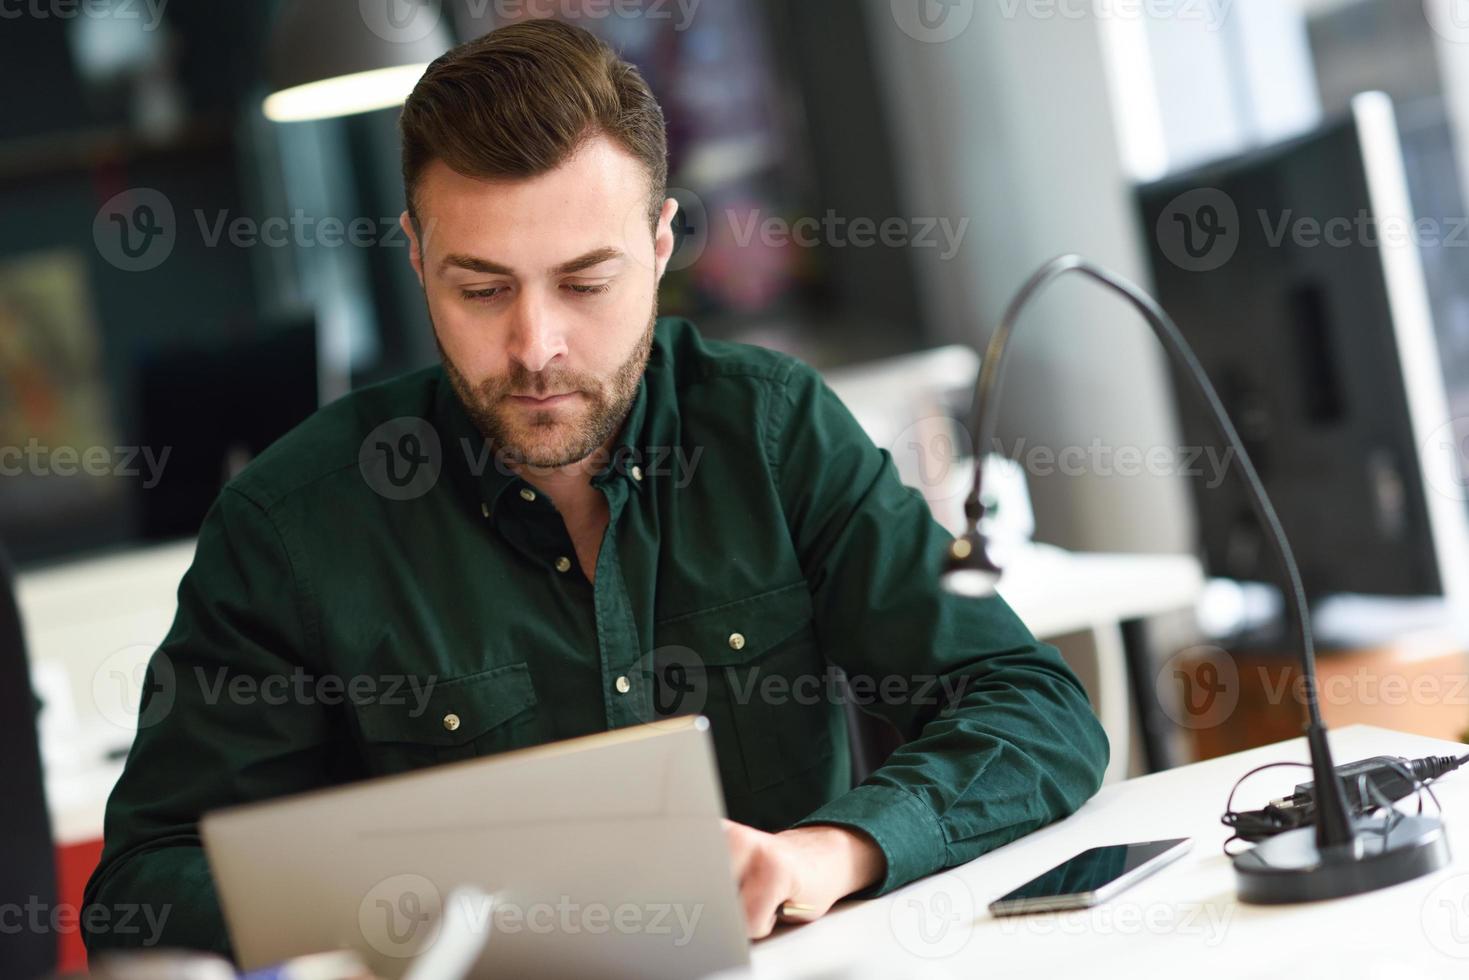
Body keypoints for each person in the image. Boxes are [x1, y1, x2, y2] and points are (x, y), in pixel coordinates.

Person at [84, 17, 1107, 957]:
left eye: (584, 281)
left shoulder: (767, 428)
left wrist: (827, 851)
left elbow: (1032, 706)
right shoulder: (292, 525)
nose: (535, 345)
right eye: (480, 288)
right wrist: (413, 901)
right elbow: (142, 880)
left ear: (660, 246)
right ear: (416, 254)